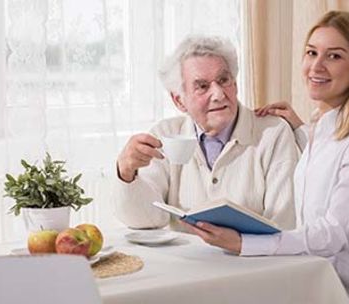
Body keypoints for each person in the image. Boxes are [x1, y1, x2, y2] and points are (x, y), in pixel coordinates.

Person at [183, 11, 349, 304]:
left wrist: (245, 243)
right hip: (327, 287)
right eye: (311, 52)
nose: (316, 66)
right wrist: (302, 130)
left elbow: (334, 233)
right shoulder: (326, 127)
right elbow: (331, 171)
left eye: (334, 56)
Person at [113, 35, 298, 232]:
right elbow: (148, 219)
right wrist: (126, 172)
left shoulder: (273, 133)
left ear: (235, 84)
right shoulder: (165, 134)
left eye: (224, 80)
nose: (218, 95)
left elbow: (283, 223)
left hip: (255, 262)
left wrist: (240, 244)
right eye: (202, 86)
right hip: (186, 262)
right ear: (179, 101)